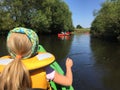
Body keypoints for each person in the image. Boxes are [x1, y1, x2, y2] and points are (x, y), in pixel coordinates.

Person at [0, 27, 73, 90]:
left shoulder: (2, 71)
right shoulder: (45, 69)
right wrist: (68, 67)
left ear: (10, 49)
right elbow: (68, 82)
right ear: (34, 48)